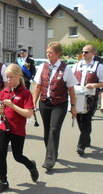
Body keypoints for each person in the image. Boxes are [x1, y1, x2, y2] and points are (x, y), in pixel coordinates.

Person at [0, 64, 39, 194]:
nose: (8, 80)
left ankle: (31, 165)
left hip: (17, 129)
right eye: (7, 77)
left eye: (11, 77)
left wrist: (12, 105)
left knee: (17, 156)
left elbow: (29, 113)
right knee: (1, 154)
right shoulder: (4, 91)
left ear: (19, 76)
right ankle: (3, 181)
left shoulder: (25, 93)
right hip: (3, 127)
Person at [33, 42, 78, 171]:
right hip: (44, 103)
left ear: (58, 54)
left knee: (54, 129)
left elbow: (71, 89)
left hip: (59, 104)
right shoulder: (42, 67)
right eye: (47, 52)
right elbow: (38, 87)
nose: (48, 54)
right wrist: (33, 102)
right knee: (47, 131)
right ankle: (52, 153)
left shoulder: (66, 69)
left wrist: (73, 106)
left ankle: (49, 159)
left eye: (51, 52)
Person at [72, 45, 103, 155]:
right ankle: (86, 138)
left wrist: (95, 84)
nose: (84, 54)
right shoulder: (76, 65)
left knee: (86, 120)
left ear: (93, 53)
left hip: (91, 97)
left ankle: (81, 145)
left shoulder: (98, 67)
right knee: (79, 119)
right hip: (78, 96)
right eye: (83, 52)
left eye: (86, 52)